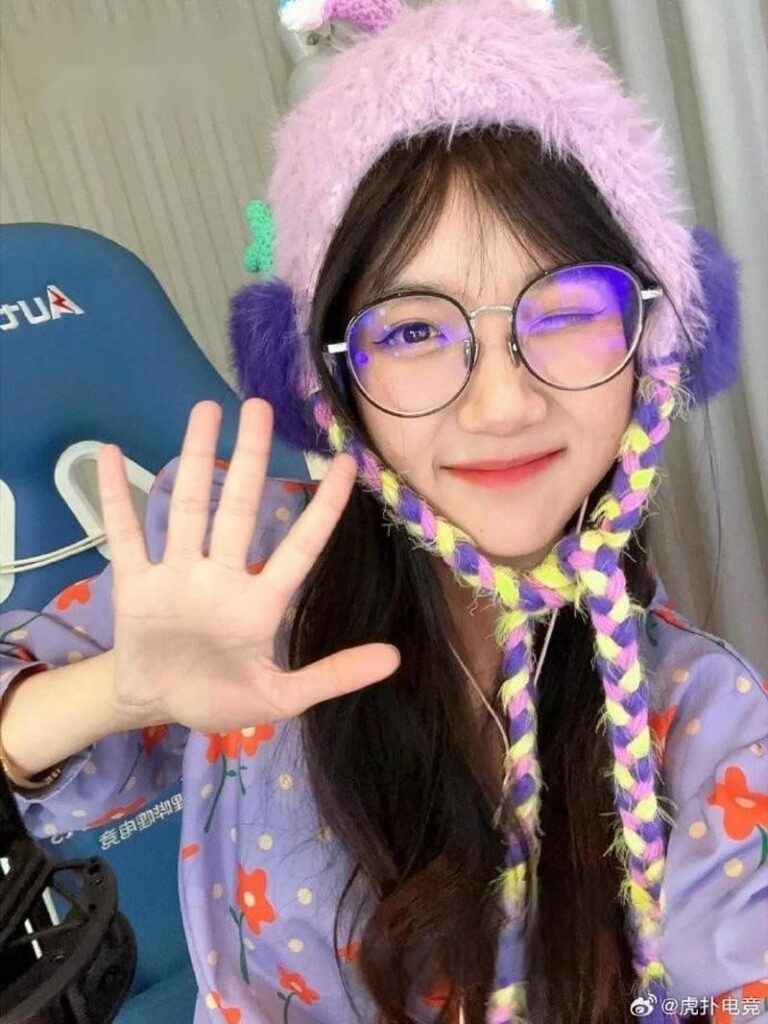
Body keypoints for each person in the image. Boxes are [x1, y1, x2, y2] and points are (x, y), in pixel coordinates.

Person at [0, 1, 766, 1022]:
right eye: (412, 331)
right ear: (330, 381)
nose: (500, 404)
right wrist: (120, 691)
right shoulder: (252, 565)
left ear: (655, 345)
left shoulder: (708, 724)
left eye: (568, 310)